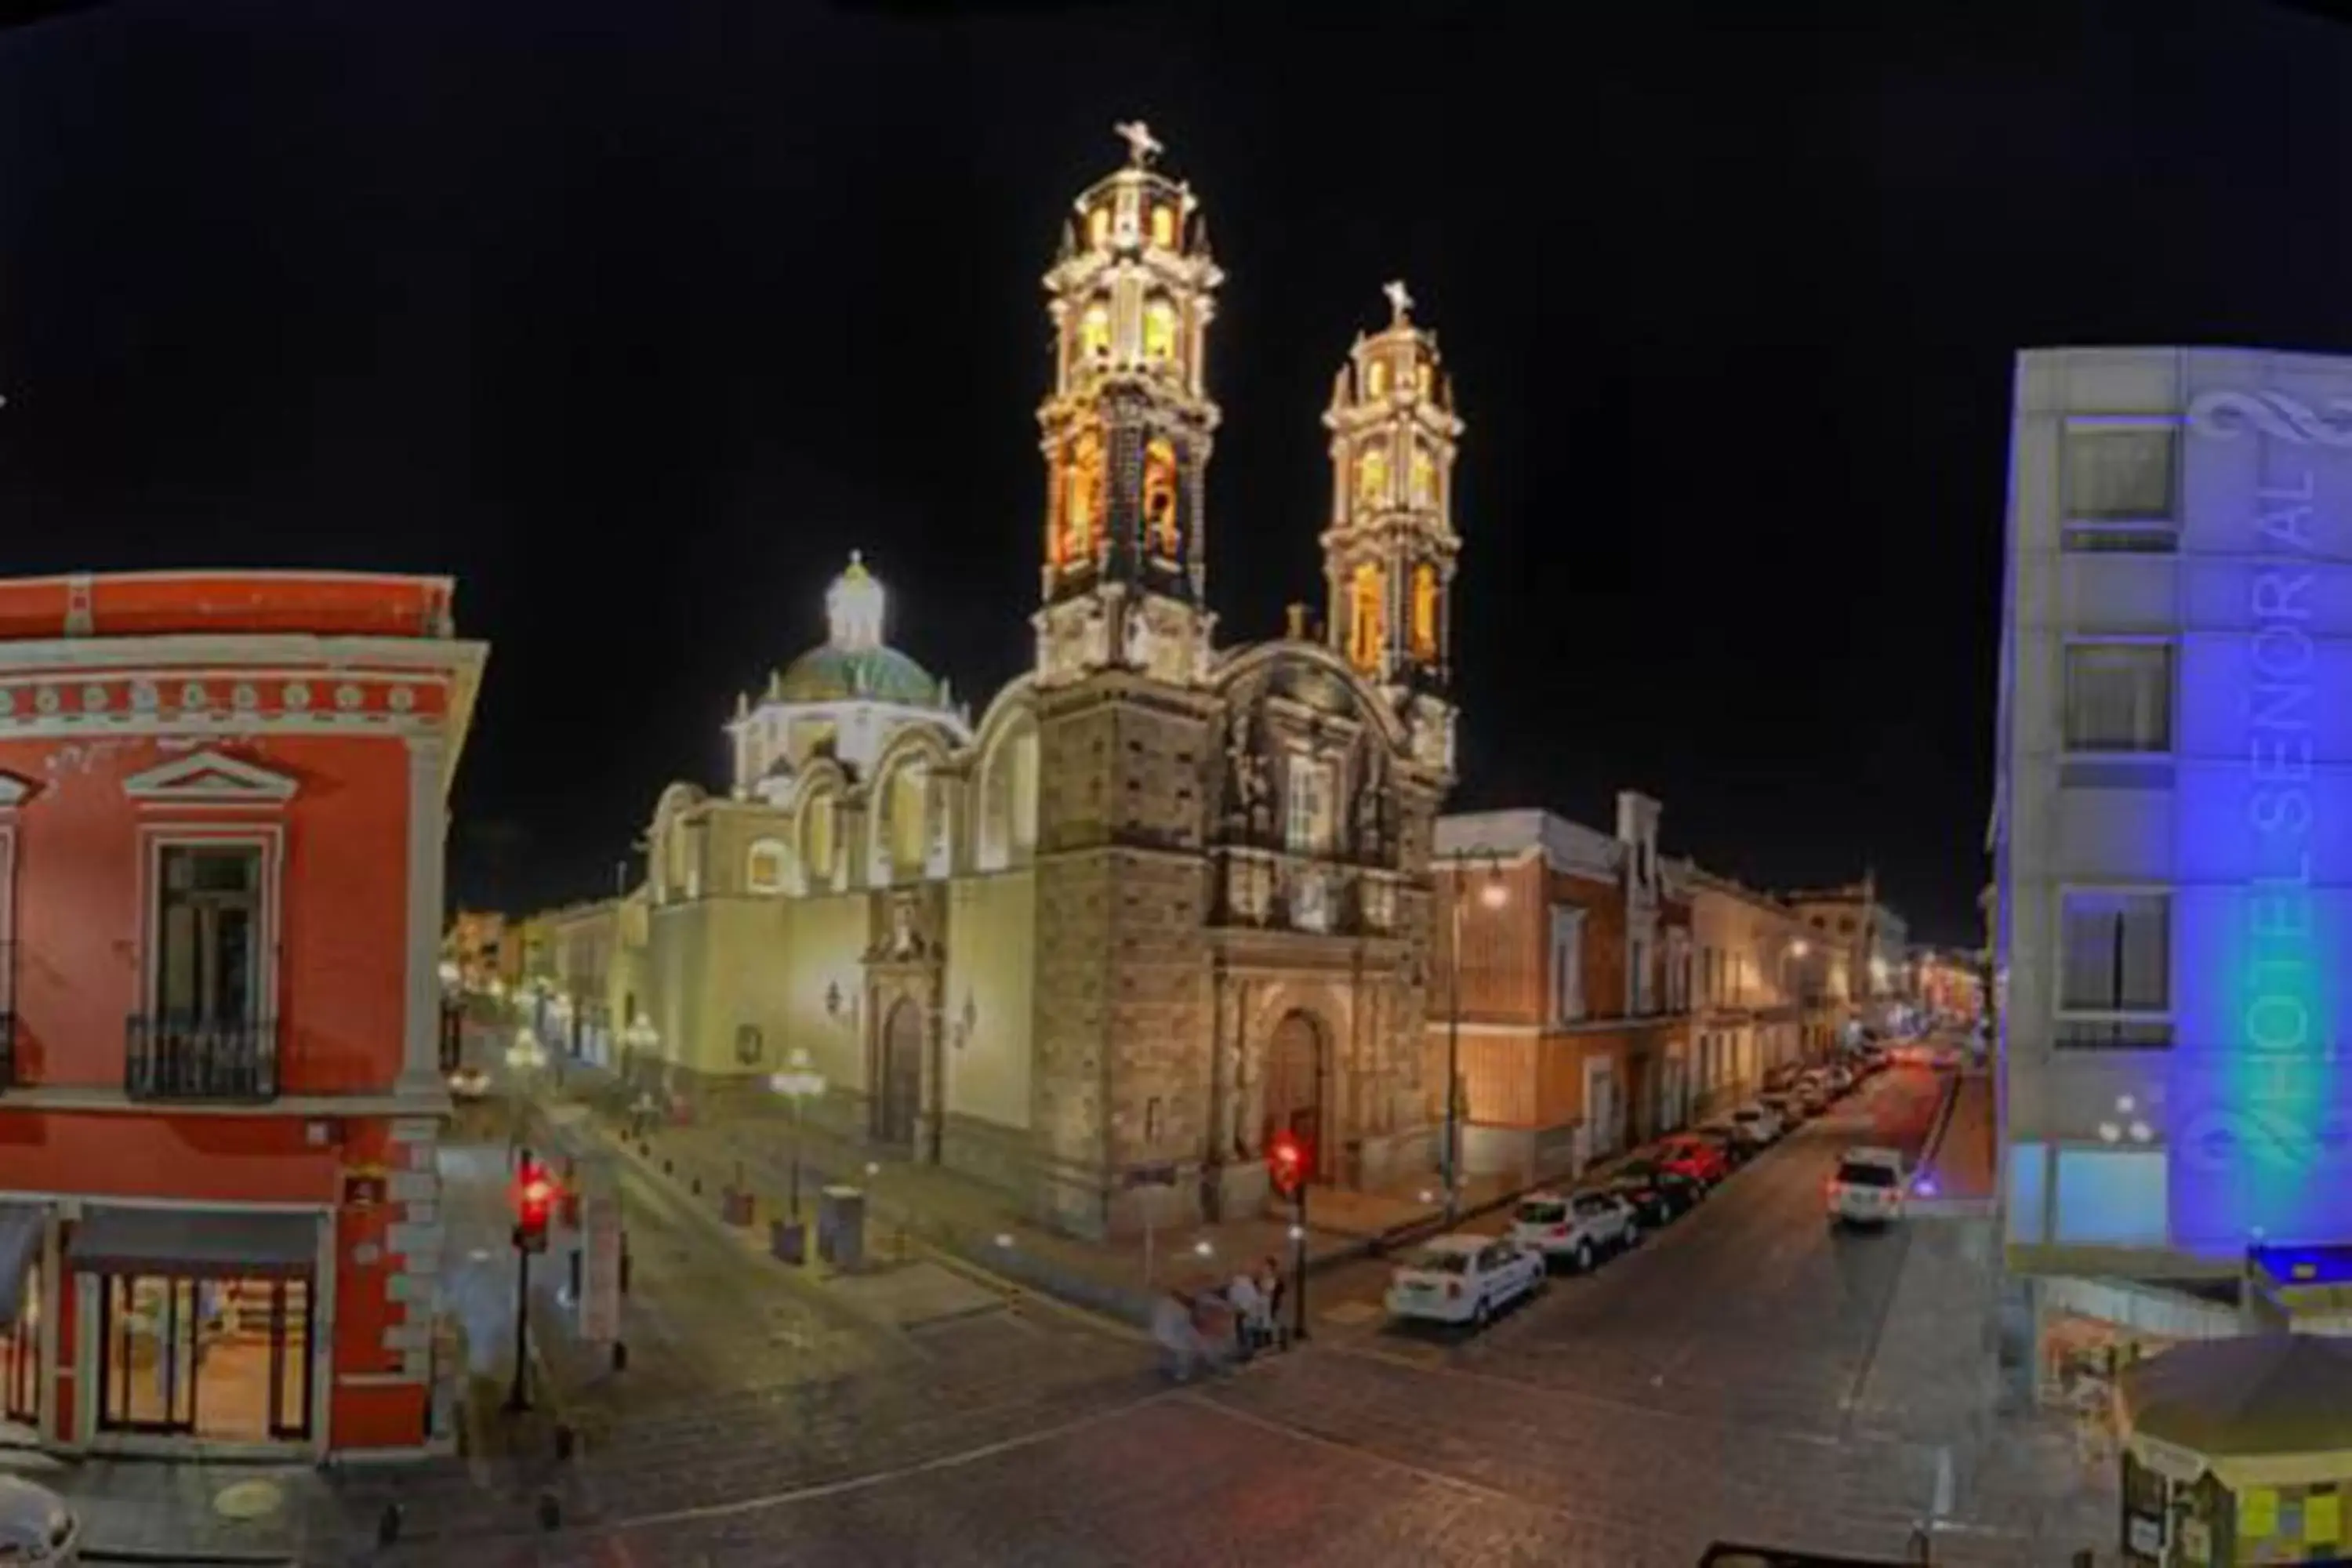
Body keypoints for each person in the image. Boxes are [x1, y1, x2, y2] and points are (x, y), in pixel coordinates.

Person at [1226, 1268, 1265, 1359]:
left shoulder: (1237, 1285)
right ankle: (1248, 1351)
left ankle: (1246, 1352)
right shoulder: (1246, 1284)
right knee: (1247, 1331)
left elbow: (1233, 1299)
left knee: (1244, 1332)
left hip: (1242, 1311)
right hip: (1247, 1310)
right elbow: (1254, 1297)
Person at [1259, 1255, 1287, 1349]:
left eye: (1266, 1266)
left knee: (1279, 1322)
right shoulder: (1263, 1278)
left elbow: (1281, 1291)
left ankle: (1283, 1342)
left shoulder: (1277, 1279)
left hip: (1275, 1304)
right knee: (1267, 1323)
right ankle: (1269, 1342)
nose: (1263, 1268)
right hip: (1266, 1303)